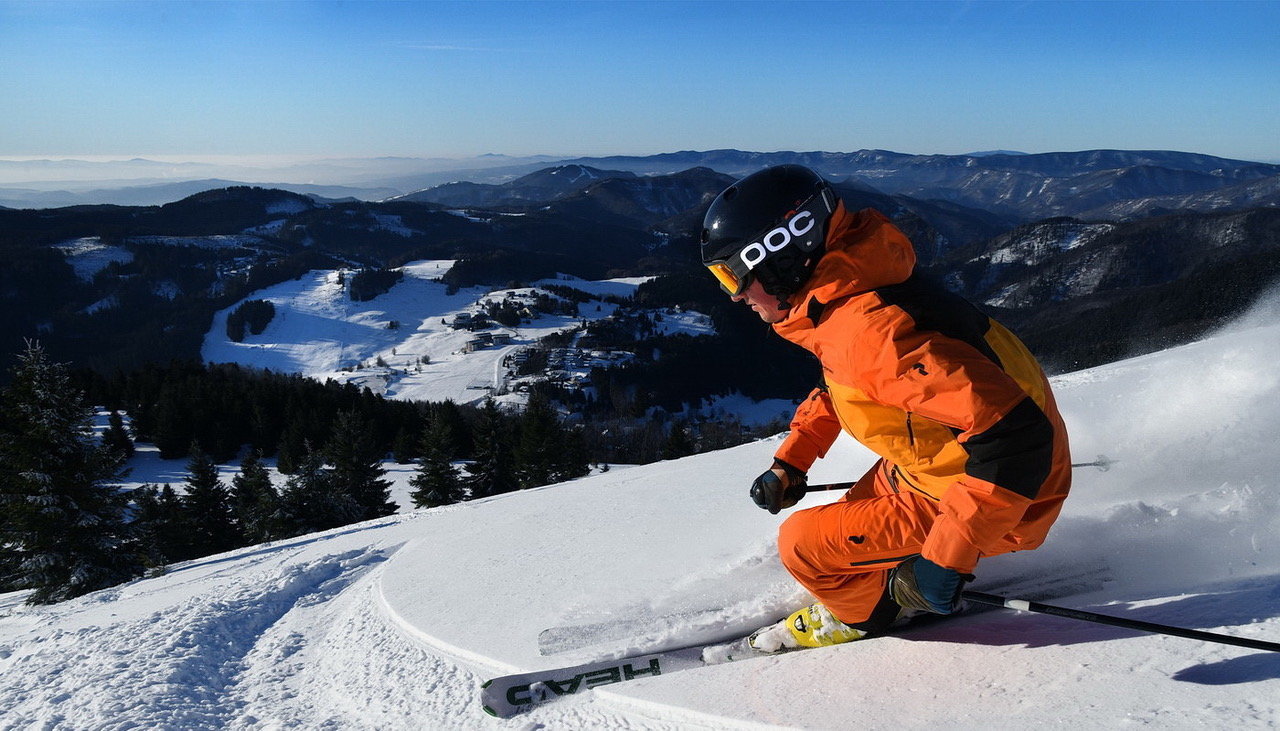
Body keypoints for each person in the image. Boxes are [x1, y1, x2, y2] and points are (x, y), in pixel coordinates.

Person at [699, 165, 1071, 652]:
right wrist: (792, 459)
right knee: (850, 521)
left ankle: (868, 617)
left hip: (1007, 493)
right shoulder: (854, 295)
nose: (736, 295)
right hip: (939, 467)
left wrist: (944, 560)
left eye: (733, 275)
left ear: (776, 256)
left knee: (803, 548)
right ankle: (894, 574)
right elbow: (845, 386)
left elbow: (1014, 439)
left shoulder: (870, 333)